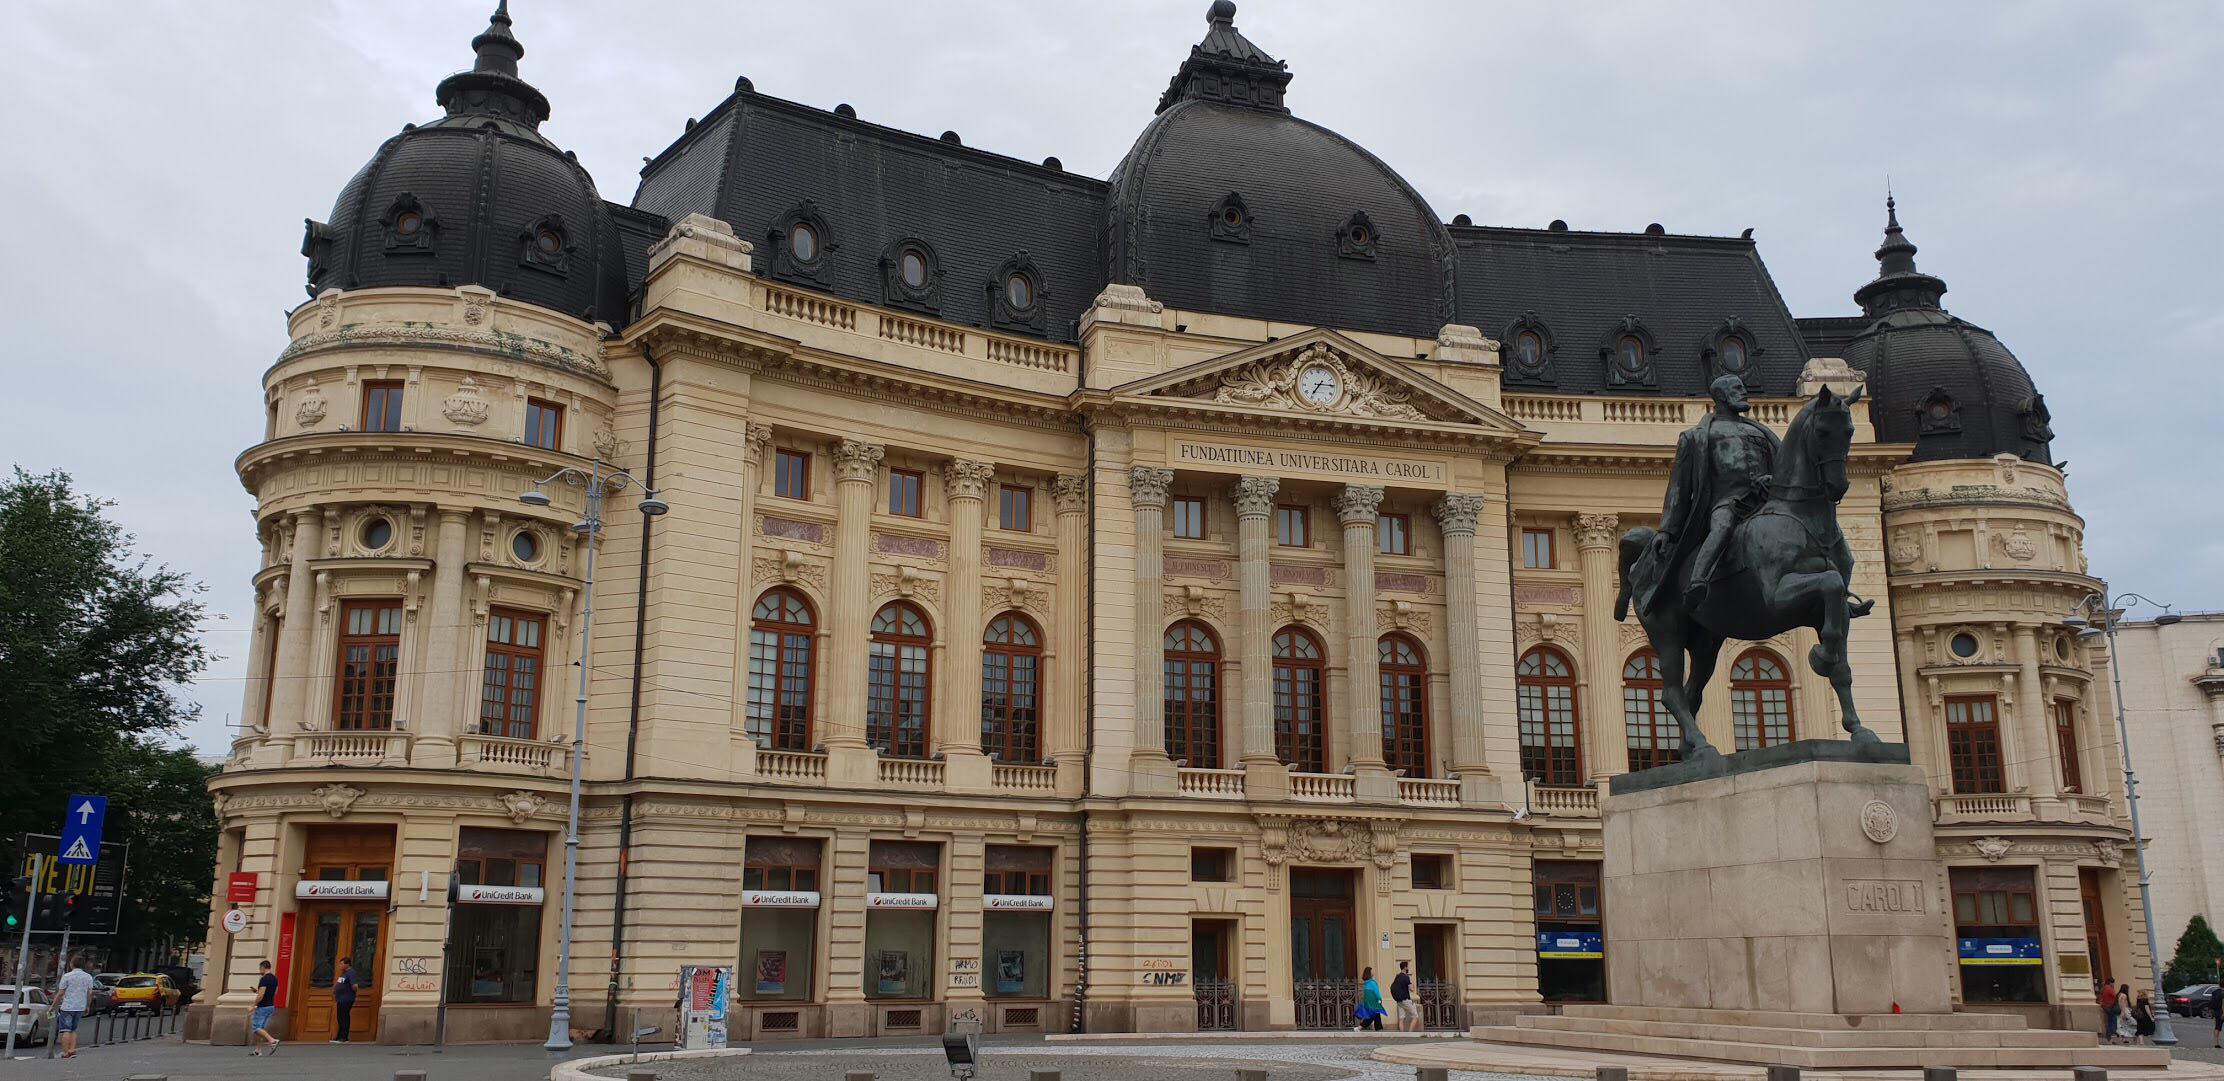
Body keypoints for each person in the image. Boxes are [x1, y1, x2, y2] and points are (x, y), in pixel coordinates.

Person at [1649, 374, 1782, 611]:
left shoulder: (1762, 433)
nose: (1744, 392)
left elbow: (1784, 468)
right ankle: (1698, 580)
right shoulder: (1697, 436)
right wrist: (1667, 530)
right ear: (1721, 395)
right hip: (1728, 501)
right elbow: (1679, 487)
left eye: (1743, 388)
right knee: (1721, 527)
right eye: (1737, 389)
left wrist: (1773, 480)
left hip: (1765, 501)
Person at [53, 956, 98, 1059]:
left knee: (66, 1030)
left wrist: (53, 1006)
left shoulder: (67, 976)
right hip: (80, 1006)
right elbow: (89, 993)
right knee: (73, 1029)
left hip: (67, 1007)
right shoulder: (88, 977)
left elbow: (60, 993)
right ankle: (72, 1050)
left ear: (72, 964)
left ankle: (65, 1052)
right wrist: (88, 1006)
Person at [248, 960, 281, 1056]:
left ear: (263, 967)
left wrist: (253, 1006)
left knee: (256, 1028)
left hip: (262, 1007)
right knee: (261, 1029)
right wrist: (256, 991)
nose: (259, 970)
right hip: (271, 1005)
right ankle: (258, 1050)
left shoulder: (264, 979)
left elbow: (261, 995)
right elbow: (274, 992)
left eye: (259, 968)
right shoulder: (275, 979)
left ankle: (272, 1041)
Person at [331, 956, 357, 1043]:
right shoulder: (344, 973)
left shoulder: (351, 973)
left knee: (344, 1017)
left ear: (347, 964)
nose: (340, 965)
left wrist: (351, 990)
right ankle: (339, 1037)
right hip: (340, 999)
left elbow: (354, 986)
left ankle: (344, 1037)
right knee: (340, 1017)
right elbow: (340, 983)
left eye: (342, 964)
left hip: (346, 998)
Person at [1352, 966, 1386, 1032]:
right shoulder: (1372, 982)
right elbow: (1376, 992)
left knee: (1376, 1014)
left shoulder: (1366, 983)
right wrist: (1379, 1000)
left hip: (1369, 1001)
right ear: (1369, 973)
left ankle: (1378, 1029)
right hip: (1374, 1001)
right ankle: (1359, 1027)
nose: (1373, 972)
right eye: (1372, 971)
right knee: (1372, 1015)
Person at [1390, 960, 1418, 1033]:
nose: (1408, 967)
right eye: (1408, 966)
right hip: (1405, 1000)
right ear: (1405, 967)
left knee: (1401, 1018)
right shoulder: (1406, 977)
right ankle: (1410, 1033)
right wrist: (1413, 986)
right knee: (1415, 1016)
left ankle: (1402, 1034)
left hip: (1399, 1001)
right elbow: (1411, 989)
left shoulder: (1397, 976)